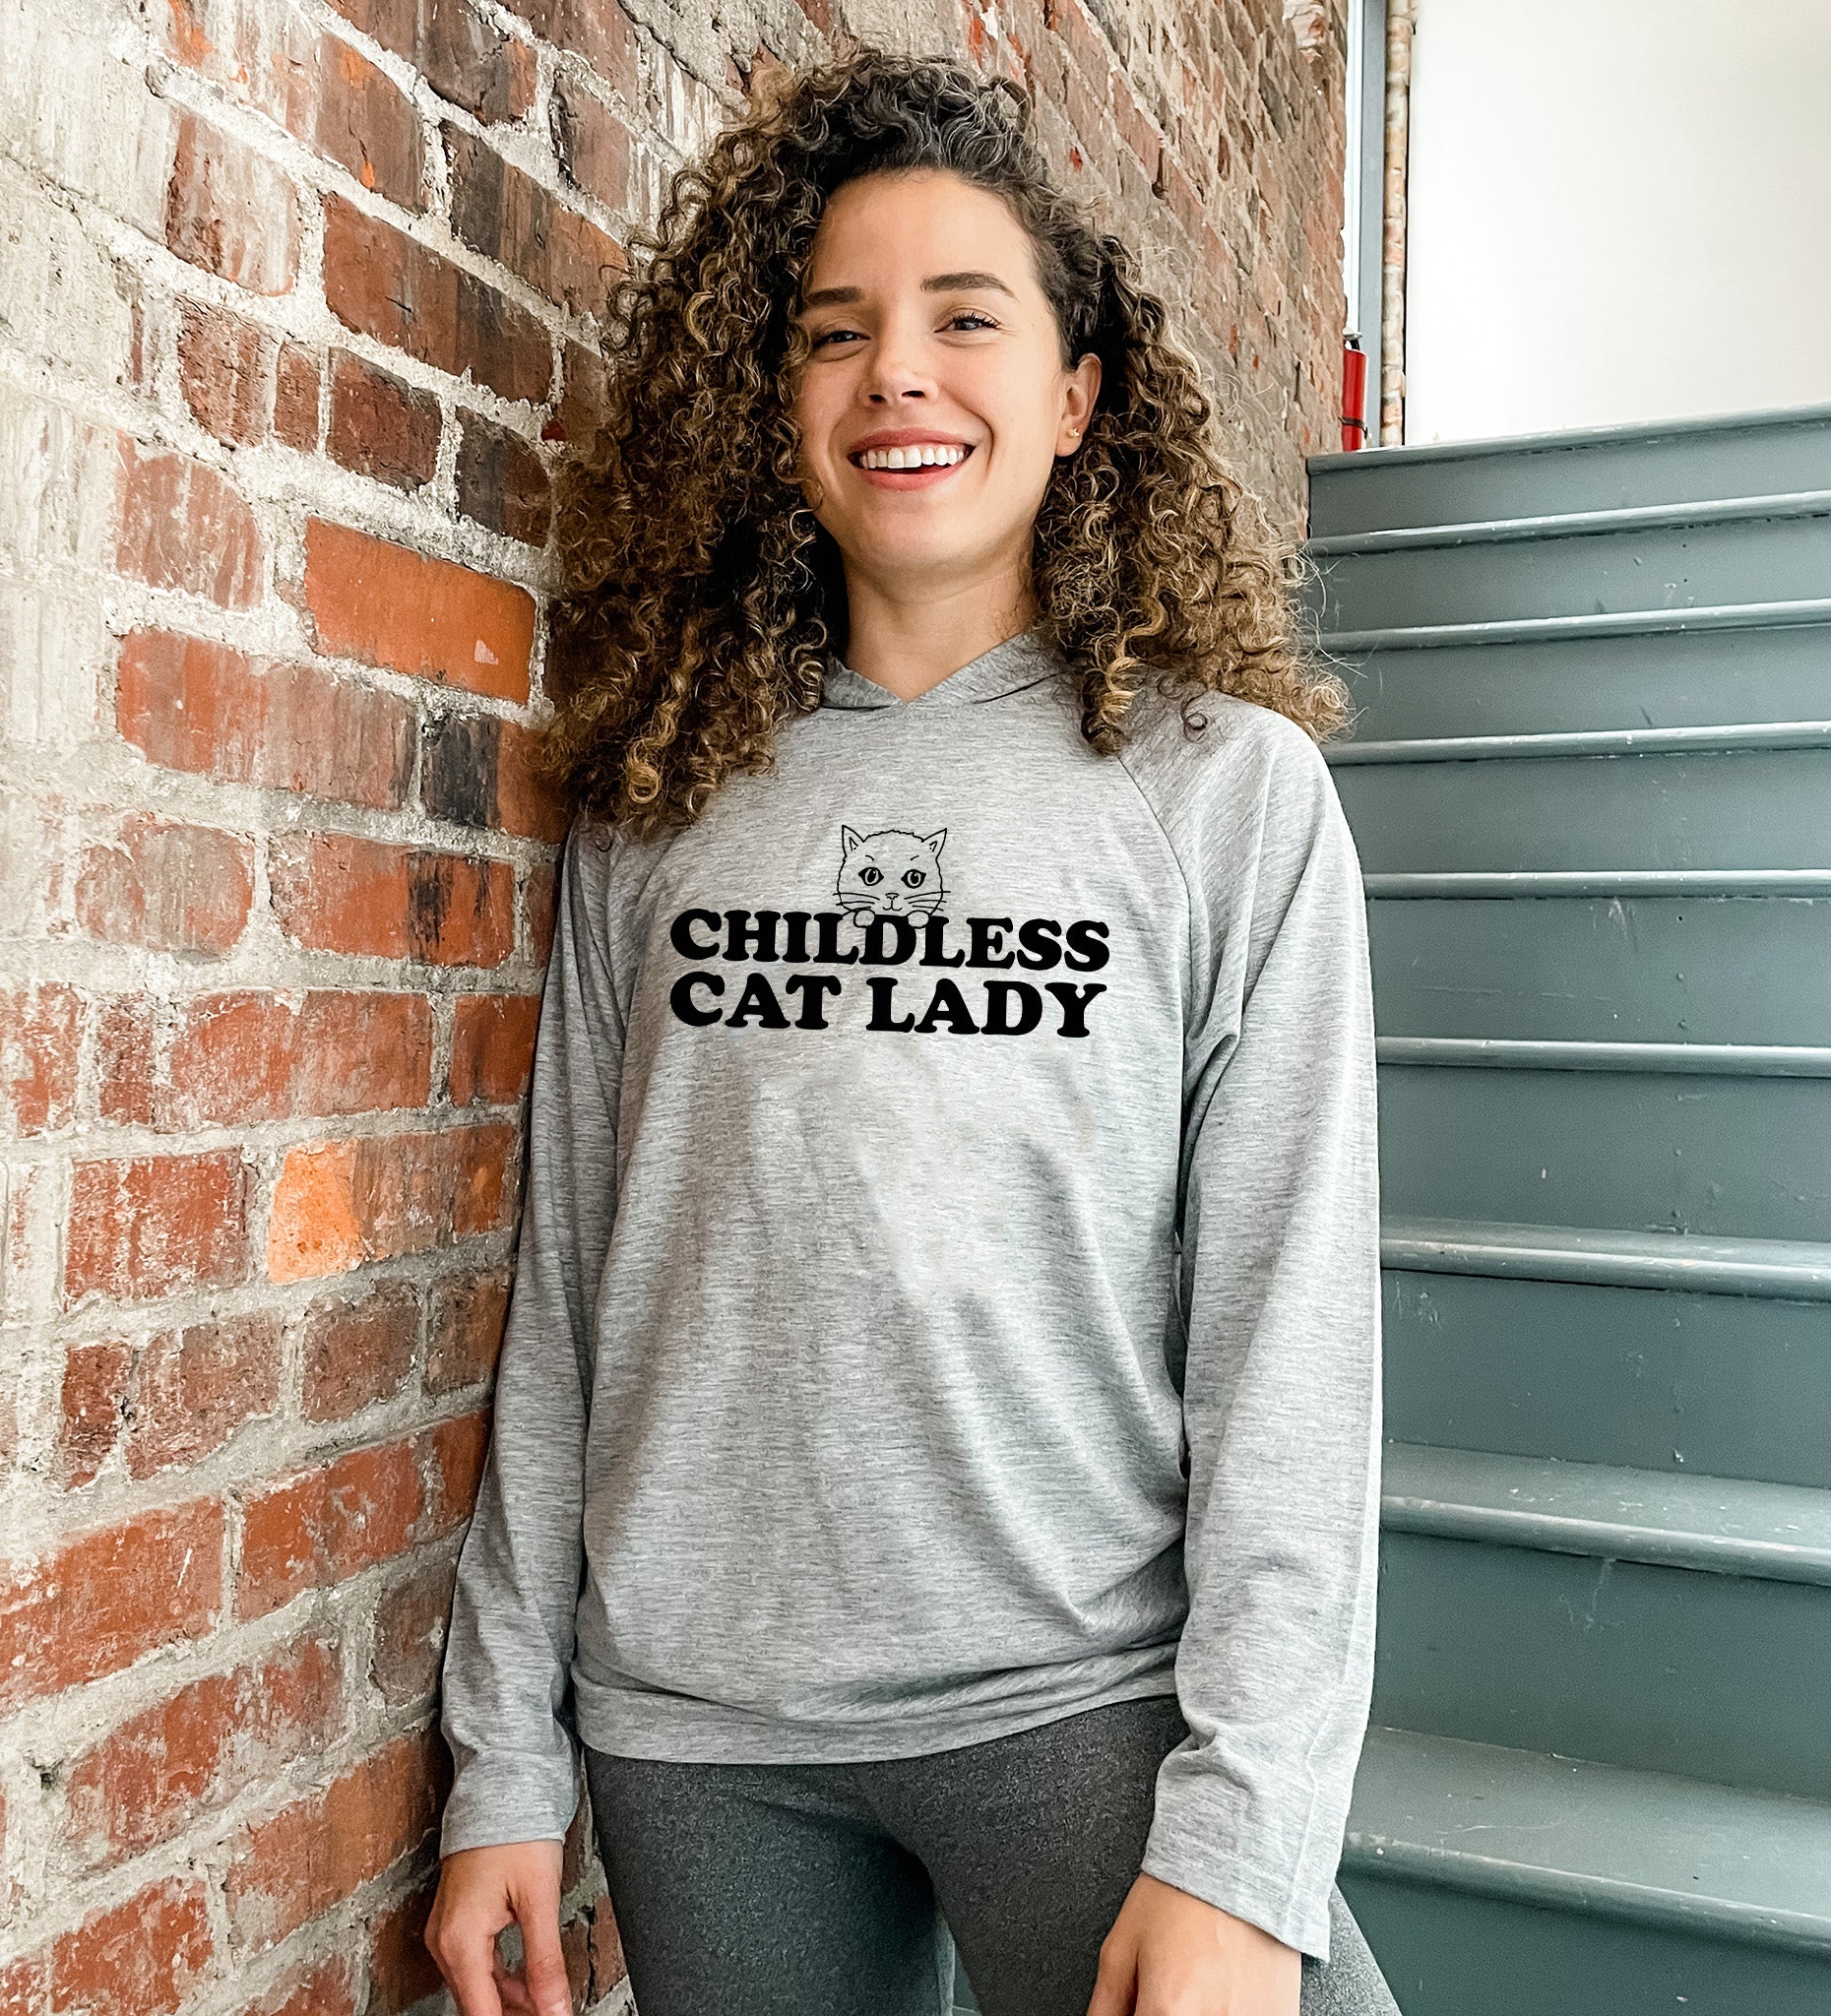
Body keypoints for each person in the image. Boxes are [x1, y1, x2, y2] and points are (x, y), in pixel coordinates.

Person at [423, 46, 1399, 2016]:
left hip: (1078, 1698)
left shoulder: (1225, 793)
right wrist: (504, 1755)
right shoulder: (662, 797)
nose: (897, 376)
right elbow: (577, 1286)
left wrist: (1245, 1835)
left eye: (966, 319)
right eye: (834, 331)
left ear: (1077, 394)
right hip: (702, 1735)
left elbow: (1290, 1334)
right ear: (777, 397)